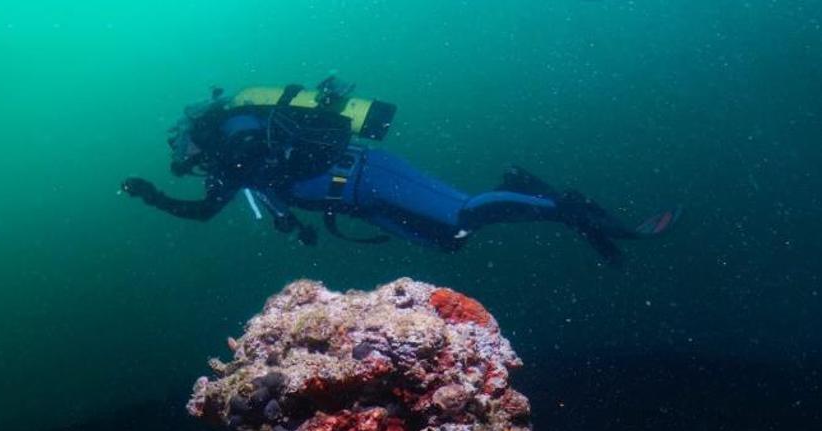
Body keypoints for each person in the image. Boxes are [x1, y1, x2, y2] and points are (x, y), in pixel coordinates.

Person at [122, 76, 678, 262]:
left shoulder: (237, 138)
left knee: (463, 213)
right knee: (451, 239)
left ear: (196, 136)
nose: (187, 161)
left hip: (368, 174)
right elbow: (200, 213)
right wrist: (151, 195)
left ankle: (577, 211)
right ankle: (521, 190)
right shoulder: (230, 164)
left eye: (184, 150)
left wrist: (224, 168)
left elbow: (254, 169)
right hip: (358, 202)